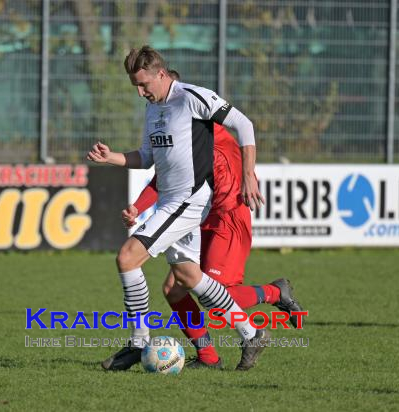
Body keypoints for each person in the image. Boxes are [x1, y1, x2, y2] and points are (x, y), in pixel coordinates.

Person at [87, 45, 267, 371]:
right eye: (136, 87)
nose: (141, 92)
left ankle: (138, 342)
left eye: (144, 85)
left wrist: (248, 175)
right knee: (187, 277)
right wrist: (111, 157)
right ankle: (251, 332)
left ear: (160, 73)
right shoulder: (153, 109)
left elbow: (245, 125)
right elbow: (146, 157)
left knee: (127, 257)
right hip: (171, 199)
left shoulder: (192, 97)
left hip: (189, 199)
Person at [123, 116, 304, 369]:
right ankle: (209, 358)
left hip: (228, 216)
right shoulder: (182, 131)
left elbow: (245, 128)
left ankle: (274, 292)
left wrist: (248, 173)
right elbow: (165, 178)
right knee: (175, 290)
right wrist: (136, 207)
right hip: (200, 215)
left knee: (217, 297)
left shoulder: (198, 130)